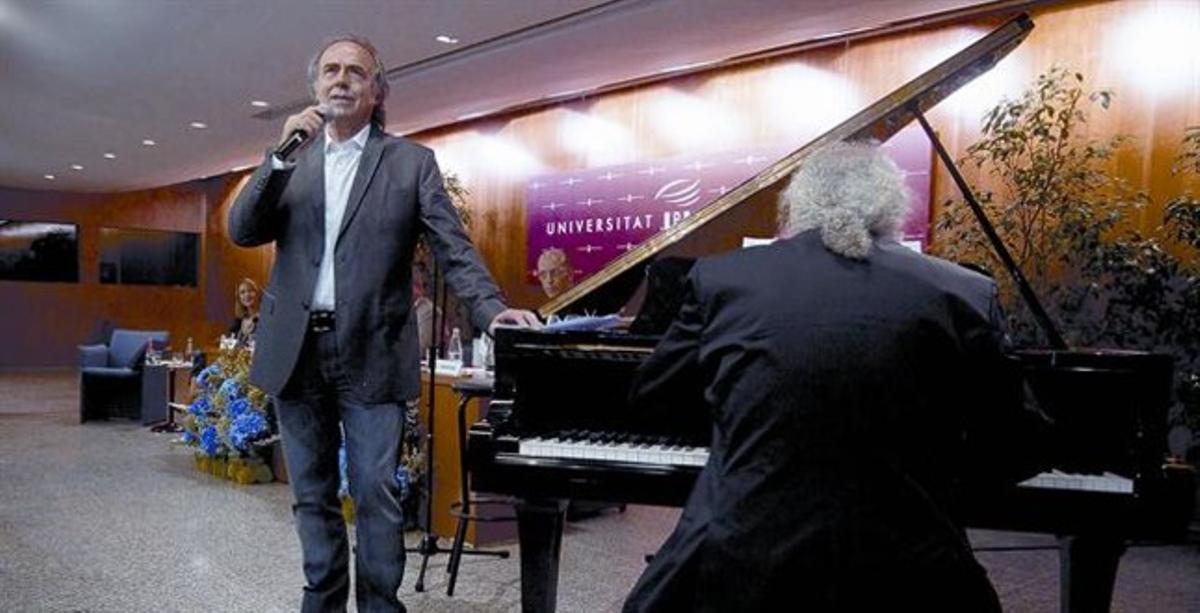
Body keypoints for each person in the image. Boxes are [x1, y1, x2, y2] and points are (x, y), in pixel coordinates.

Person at [623, 142, 1039, 612]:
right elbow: (1014, 445)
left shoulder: (721, 280)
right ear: (892, 207)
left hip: (741, 563)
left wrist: (750, 427)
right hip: (912, 574)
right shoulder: (965, 291)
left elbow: (653, 398)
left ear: (797, 205)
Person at [227, 35, 539, 613]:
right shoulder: (291, 161)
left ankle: (378, 605)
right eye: (330, 71)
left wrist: (492, 311)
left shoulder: (409, 163)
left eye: (355, 72)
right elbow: (243, 230)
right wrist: (277, 152)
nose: (340, 80)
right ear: (315, 86)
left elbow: (453, 247)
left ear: (377, 90)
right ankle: (321, 600)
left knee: (375, 492)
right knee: (312, 494)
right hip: (297, 353)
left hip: (371, 349)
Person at [228, 277, 260, 345]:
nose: (247, 295)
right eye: (242, 292)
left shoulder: (266, 319)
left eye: (250, 291)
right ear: (239, 298)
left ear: (257, 293)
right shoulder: (238, 322)